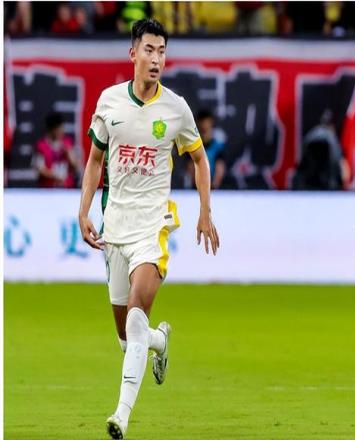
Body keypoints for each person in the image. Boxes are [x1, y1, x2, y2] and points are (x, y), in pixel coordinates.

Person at [78, 18, 219, 439]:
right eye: (149, 50)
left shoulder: (176, 109)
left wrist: (205, 211)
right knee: (128, 338)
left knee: (137, 317)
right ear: (133, 54)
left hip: (153, 227)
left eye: (162, 51)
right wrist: (83, 211)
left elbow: (199, 159)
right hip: (115, 227)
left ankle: (120, 416)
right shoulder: (109, 103)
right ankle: (160, 341)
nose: (157, 59)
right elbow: (95, 161)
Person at [292, 110, 349, 190]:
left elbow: (301, 163)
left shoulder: (312, 134)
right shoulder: (331, 137)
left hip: (308, 184)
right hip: (326, 184)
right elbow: (340, 165)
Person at [35, 112, 80, 188]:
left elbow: (75, 167)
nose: (62, 131)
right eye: (59, 128)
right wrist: (55, 175)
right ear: (52, 129)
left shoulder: (68, 143)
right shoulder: (41, 146)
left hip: (67, 189)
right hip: (47, 190)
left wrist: (69, 154)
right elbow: (40, 168)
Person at [186, 109, 226, 189]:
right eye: (201, 122)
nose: (204, 126)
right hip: (196, 189)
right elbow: (190, 167)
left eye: (206, 123)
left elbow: (220, 167)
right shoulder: (192, 146)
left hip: (214, 189)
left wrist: (214, 184)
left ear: (211, 123)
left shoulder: (218, 146)